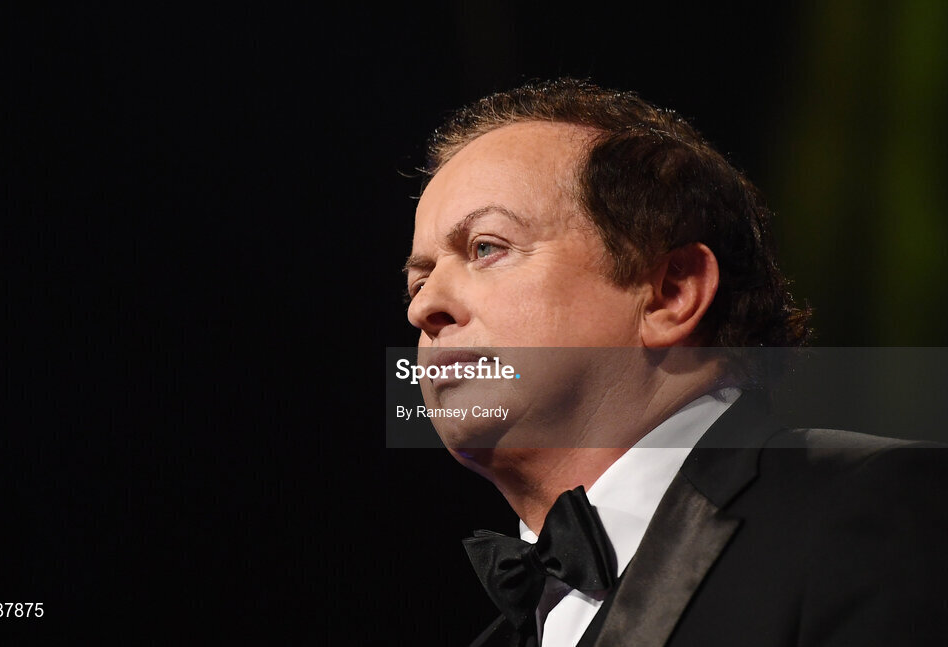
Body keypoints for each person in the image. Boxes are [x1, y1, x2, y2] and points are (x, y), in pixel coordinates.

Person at [402, 79, 948, 646]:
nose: (424, 307)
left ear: (671, 293)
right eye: (417, 281)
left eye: (487, 247)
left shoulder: (875, 508)